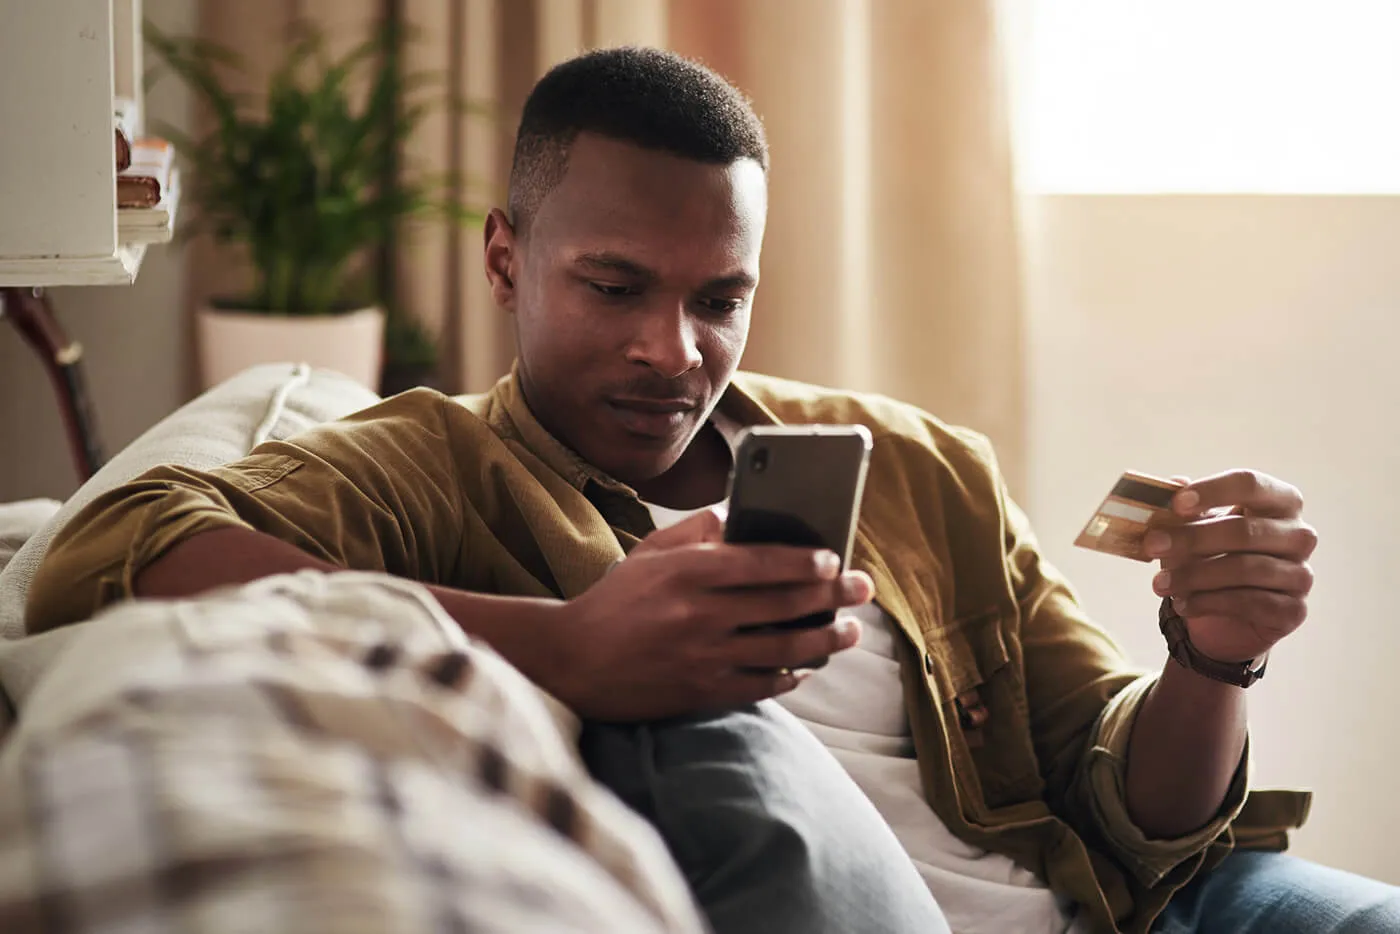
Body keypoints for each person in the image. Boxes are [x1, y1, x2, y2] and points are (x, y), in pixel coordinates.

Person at [26, 47, 1399, 934]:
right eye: (614, 285)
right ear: (507, 260)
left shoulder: (920, 465)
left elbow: (1130, 799)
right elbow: (113, 551)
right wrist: (568, 648)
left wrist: (1211, 659)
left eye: (719, 298)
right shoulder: (431, 464)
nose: (669, 349)